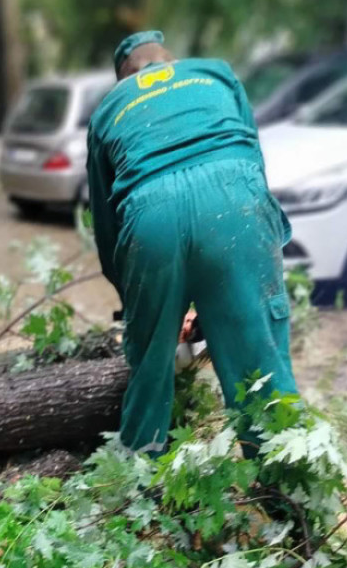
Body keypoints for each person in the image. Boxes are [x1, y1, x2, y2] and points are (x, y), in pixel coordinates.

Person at [87, 31, 299, 455]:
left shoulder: (108, 109)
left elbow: (108, 232)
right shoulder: (215, 74)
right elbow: (254, 162)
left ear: (123, 77)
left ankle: (136, 489)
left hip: (152, 216)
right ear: (170, 60)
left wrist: (142, 307)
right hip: (236, 199)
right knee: (258, 349)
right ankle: (284, 487)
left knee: (150, 365)